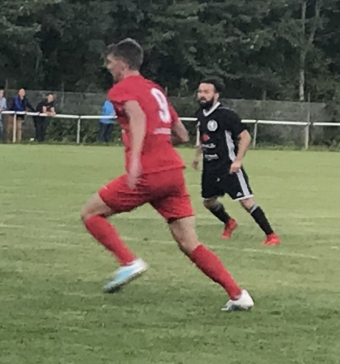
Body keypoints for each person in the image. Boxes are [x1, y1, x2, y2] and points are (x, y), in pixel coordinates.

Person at [82, 38, 252, 310]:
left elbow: (137, 117)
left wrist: (136, 160)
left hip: (148, 173)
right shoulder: (155, 90)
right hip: (173, 173)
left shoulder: (121, 89)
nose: (108, 67)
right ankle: (238, 295)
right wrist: (158, 143)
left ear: (122, 64)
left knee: (90, 214)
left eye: (110, 62)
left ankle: (129, 262)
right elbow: (182, 134)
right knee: (189, 242)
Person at [196, 80, 281, 246]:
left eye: (206, 92)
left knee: (246, 202)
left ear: (216, 95)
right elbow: (203, 136)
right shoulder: (201, 113)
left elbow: (245, 137)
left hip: (228, 167)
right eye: (200, 91)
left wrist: (238, 160)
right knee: (208, 202)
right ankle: (229, 222)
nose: (202, 95)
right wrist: (197, 155)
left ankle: (271, 235)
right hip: (210, 168)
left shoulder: (226, 115)